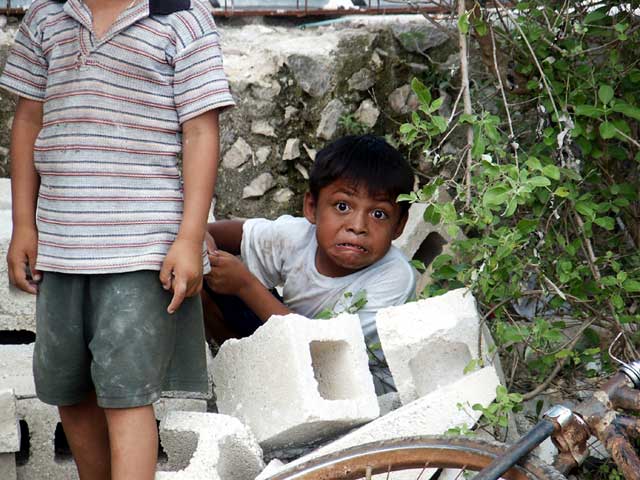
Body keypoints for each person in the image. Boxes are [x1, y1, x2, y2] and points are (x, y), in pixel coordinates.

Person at [1, 0, 234, 478]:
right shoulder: (46, 17)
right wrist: (24, 224)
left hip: (141, 249)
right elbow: (28, 121)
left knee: (126, 396)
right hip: (61, 248)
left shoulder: (182, 19)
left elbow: (200, 132)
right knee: (69, 391)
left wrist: (190, 237)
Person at [203, 134, 417, 391]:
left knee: (244, 287)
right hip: (290, 346)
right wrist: (206, 253)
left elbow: (327, 354)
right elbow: (210, 232)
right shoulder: (298, 235)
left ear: (399, 226)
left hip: (356, 385)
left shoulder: (394, 277)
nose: (358, 226)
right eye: (342, 206)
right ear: (312, 207)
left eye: (378, 214)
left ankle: (257, 386)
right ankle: (240, 378)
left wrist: (245, 286)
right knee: (199, 276)